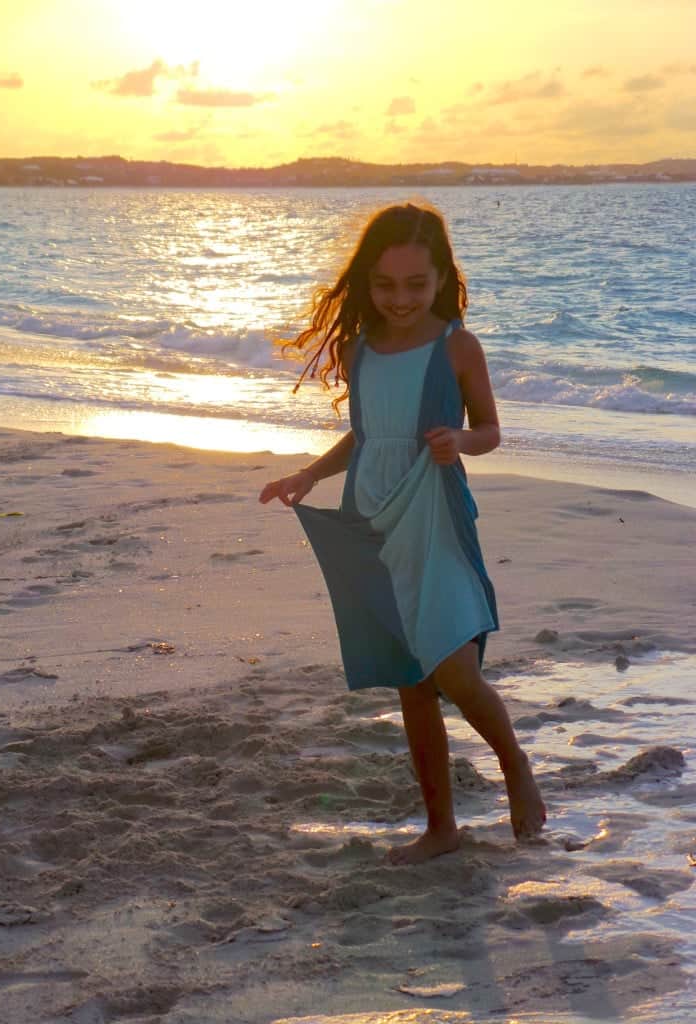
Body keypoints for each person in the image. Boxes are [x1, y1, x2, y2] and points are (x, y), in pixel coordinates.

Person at [259, 202, 545, 865]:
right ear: (367, 283)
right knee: (412, 681)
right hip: (374, 517)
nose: (400, 299)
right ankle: (441, 827)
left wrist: (461, 441)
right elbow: (367, 433)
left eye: (416, 285)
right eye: (386, 286)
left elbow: (491, 430)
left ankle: (515, 764)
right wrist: (308, 475)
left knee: (456, 670)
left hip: (435, 517)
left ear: (443, 277)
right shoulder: (362, 350)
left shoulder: (457, 347)